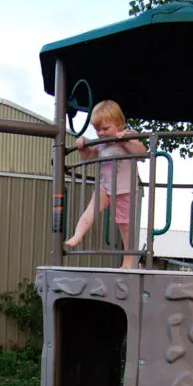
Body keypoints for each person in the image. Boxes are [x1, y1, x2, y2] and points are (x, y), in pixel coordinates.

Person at [64, 100, 146, 269]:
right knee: (90, 210)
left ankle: (128, 261)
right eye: (97, 130)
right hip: (104, 187)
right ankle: (77, 235)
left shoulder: (128, 135)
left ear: (119, 124)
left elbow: (142, 153)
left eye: (105, 129)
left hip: (125, 189)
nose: (101, 133)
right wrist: (83, 147)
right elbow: (88, 158)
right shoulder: (100, 143)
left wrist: (125, 141)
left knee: (125, 226)